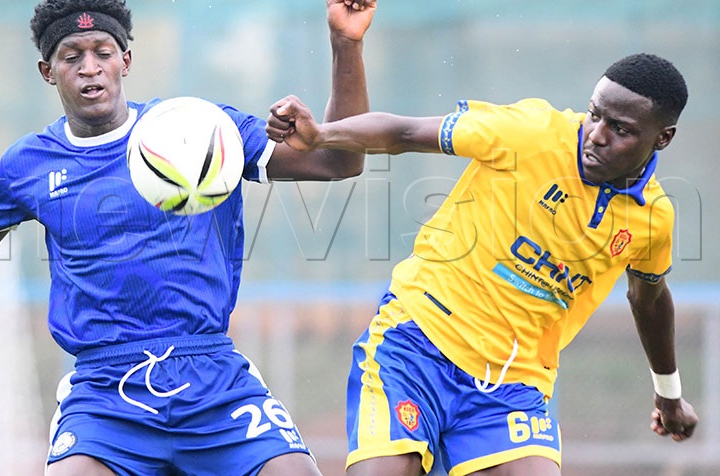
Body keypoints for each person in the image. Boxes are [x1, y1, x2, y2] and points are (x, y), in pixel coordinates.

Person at [0, 0, 378, 475]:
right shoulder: (28, 165)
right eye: (72, 56)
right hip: (105, 393)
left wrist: (344, 44)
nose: (90, 68)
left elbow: (339, 161)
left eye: (103, 51)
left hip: (212, 379)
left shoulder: (201, 129)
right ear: (48, 71)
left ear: (125, 60)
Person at [266, 53, 699, 475]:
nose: (597, 135)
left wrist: (668, 393)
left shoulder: (652, 220)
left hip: (515, 383)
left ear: (662, 138)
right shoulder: (531, 131)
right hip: (417, 344)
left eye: (620, 129)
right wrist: (321, 135)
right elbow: (405, 132)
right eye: (594, 115)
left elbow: (649, 299)